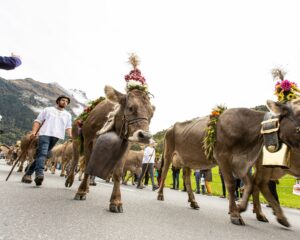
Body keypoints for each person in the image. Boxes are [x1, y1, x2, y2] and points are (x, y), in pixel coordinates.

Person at [21, 95, 72, 186]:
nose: (65, 102)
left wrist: (72, 136)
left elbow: (68, 127)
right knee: (43, 153)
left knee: (42, 155)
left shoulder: (68, 115)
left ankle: (27, 174)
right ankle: (39, 174)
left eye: (67, 102)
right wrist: (34, 132)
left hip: (56, 137)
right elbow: (38, 121)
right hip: (44, 134)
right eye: (63, 100)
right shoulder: (48, 110)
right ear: (58, 101)